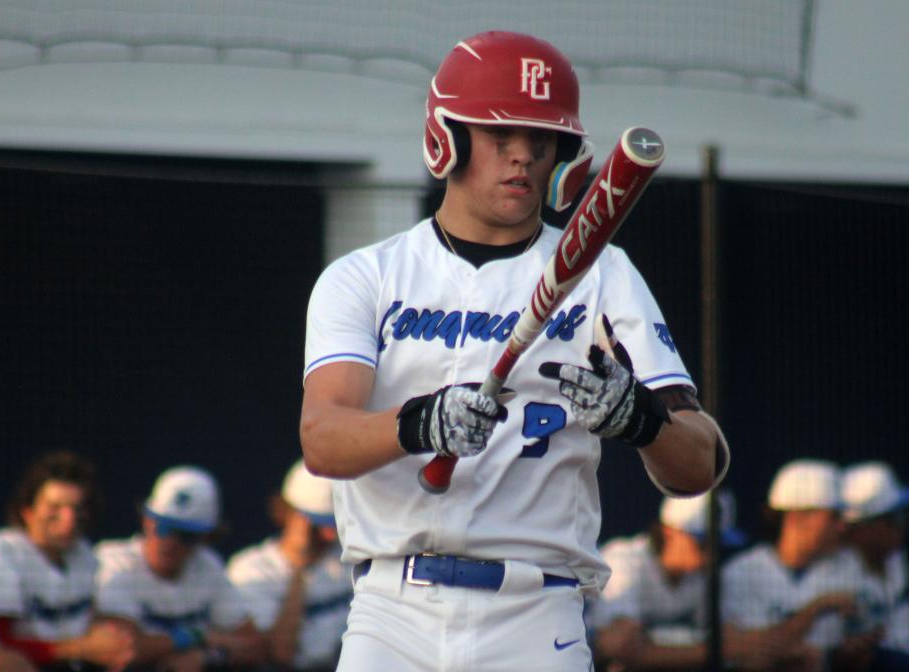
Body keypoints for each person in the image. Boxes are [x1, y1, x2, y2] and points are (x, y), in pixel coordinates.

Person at [298, 30, 729, 671]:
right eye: (500, 136)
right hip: (392, 608)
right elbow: (323, 440)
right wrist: (419, 423)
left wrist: (640, 420)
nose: (523, 156)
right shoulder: (367, 276)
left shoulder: (604, 274)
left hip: (536, 612)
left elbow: (703, 462)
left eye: (540, 138)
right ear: (449, 138)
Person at [94, 465, 264, 671]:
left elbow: (254, 645)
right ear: (146, 521)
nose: (170, 542)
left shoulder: (207, 566)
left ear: (206, 538)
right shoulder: (114, 563)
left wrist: (208, 657)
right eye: (164, 527)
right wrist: (198, 636)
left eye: (186, 535)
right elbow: (123, 649)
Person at [722, 459, 881, 671]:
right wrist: (817, 608)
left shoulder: (849, 565)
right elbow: (755, 653)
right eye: (833, 516)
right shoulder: (741, 572)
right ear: (798, 517)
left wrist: (850, 653)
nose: (843, 527)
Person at [0, 450, 134, 671]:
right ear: (27, 511)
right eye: (54, 508)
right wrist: (79, 648)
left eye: (77, 509)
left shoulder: (86, 557)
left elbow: (102, 629)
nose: (68, 520)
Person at [591, 490, 771, 671]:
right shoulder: (624, 558)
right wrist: (715, 651)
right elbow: (619, 647)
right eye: (702, 543)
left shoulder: (701, 576)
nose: (710, 554)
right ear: (669, 533)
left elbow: (730, 637)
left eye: (717, 544)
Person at [227, 460, 352, 671]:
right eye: (320, 524)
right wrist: (300, 567)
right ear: (290, 514)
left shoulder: (348, 555)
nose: (331, 534)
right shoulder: (250, 568)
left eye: (335, 524)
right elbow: (280, 654)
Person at [840, 461, 909, 671]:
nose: (903, 524)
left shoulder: (895, 559)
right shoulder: (831, 572)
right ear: (862, 528)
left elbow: (905, 642)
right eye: (892, 518)